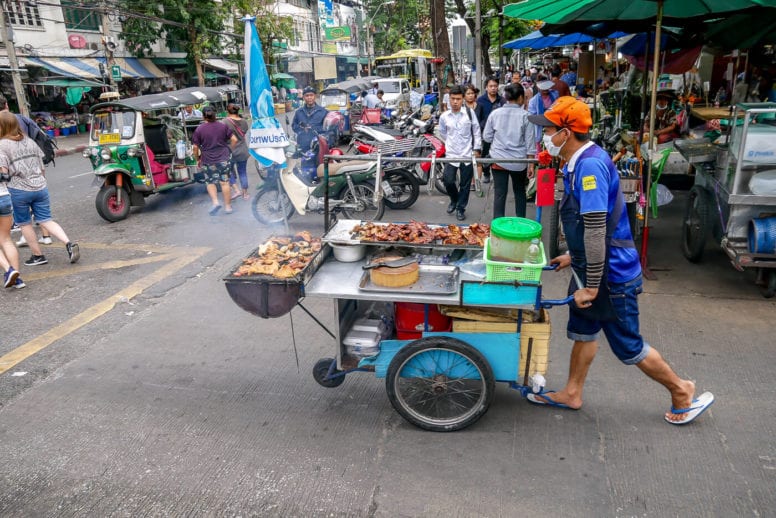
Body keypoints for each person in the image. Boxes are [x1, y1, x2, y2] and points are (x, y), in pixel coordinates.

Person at [526, 96, 715, 425]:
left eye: (550, 130)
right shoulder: (577, 162)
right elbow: (589, 227)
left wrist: (594, 286)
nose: (545, 136)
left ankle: (682, 390)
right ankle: (572, 392)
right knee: (584, 329)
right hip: (592, 269)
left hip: (610, 276)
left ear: (567, 133)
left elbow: (597, 230)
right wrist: (574, 257)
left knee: (629, 346)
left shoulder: (589, 167)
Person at [0, 112, 79, 267]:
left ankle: (38, 256)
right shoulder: (30, 141)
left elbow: (3, 173)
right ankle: (68, 243)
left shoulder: (2, 145)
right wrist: (39, 180)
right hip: (40, 186)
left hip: (18, 189)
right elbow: (41, 166)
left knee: (24, 223)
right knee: (46, 220)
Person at [0, 95, 52, 247]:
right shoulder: (20, 119)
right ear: (7, 105)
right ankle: (46, 236)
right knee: (41, 212)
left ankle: (31, 244)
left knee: (24, 217)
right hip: (36, 172)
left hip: (18, 180)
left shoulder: (6, 128)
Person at [482, 83, 533, 219]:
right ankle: (520, 223)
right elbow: (530, 142)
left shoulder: (495, 114)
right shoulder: (526, 116)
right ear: (521, 98)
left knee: (499, 193)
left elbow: (486, 137)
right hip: (519, 161)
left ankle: (498, 227)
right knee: (520, 192)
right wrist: (531, 164)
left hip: (498, 159)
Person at [438, 85, 482, 221]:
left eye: (458, 99)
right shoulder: (444, 116)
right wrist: (450, 144)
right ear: (449, 99)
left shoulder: (469, 113)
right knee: (448, 180)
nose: (455, 102)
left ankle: (461, 208)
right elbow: (443, 133)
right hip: (451, 154)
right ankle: (454, 199)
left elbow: (476, 131)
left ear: (462, 99)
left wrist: (476, 149)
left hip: (467, 154)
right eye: (453, 99)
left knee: (465, 184)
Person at [192, 106, 238, 215]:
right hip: (224, 158)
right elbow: (234, 140)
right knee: (225, 182)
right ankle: (228, 207)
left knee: (210, 182)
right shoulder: (223, 126)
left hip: (208, 160)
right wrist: (229, 150)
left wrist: (197, 158)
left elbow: (195, 147)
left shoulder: (199, 129)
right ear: (215, 114)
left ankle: (216, 202)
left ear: (203, 116)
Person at [476, 76, 506, 184]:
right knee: (485, 153)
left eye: (495, 86)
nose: (493, 88)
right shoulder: (480, 101)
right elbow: (477, 117)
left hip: (499, 133)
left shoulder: (503, 101)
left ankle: (498, 174)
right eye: (491, 86)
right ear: (486, 88)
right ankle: (486, 173)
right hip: (485, 133)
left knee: (498, 154)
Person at [1, 165, 24, 288]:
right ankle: (17, 279)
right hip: (4, 197)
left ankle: (8, 269)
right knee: (6, 239)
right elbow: (5, 176)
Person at [222, 103, 251, 201]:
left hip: (231, 150)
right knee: (242, 172)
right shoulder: (244, 121)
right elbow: (244, 132)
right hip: (243, 150)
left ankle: (236, 190)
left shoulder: (224, 122)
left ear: (227, 111)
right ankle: (245, 193)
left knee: (227, 171)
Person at [291, 86, 328, 154]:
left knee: (321, 164)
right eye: (307, 96)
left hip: (319, 145)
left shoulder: (323, 112)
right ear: (303, 97)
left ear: (315, 96)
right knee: (304, 163)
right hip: (303, 145)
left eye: (311, 95)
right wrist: (302, 128)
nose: (309, 97)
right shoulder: (299, 112)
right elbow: (294, 126)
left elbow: (327, 128)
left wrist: (313, 128)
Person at [528, 77, 560, 154]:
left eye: (547, 88)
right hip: (540, 128)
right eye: (543, 89)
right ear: (538, 88)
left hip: (554, 125)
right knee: (541, 150)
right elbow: (532, 117)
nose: (546, 91)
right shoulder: (533, 101)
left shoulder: (555, 95)